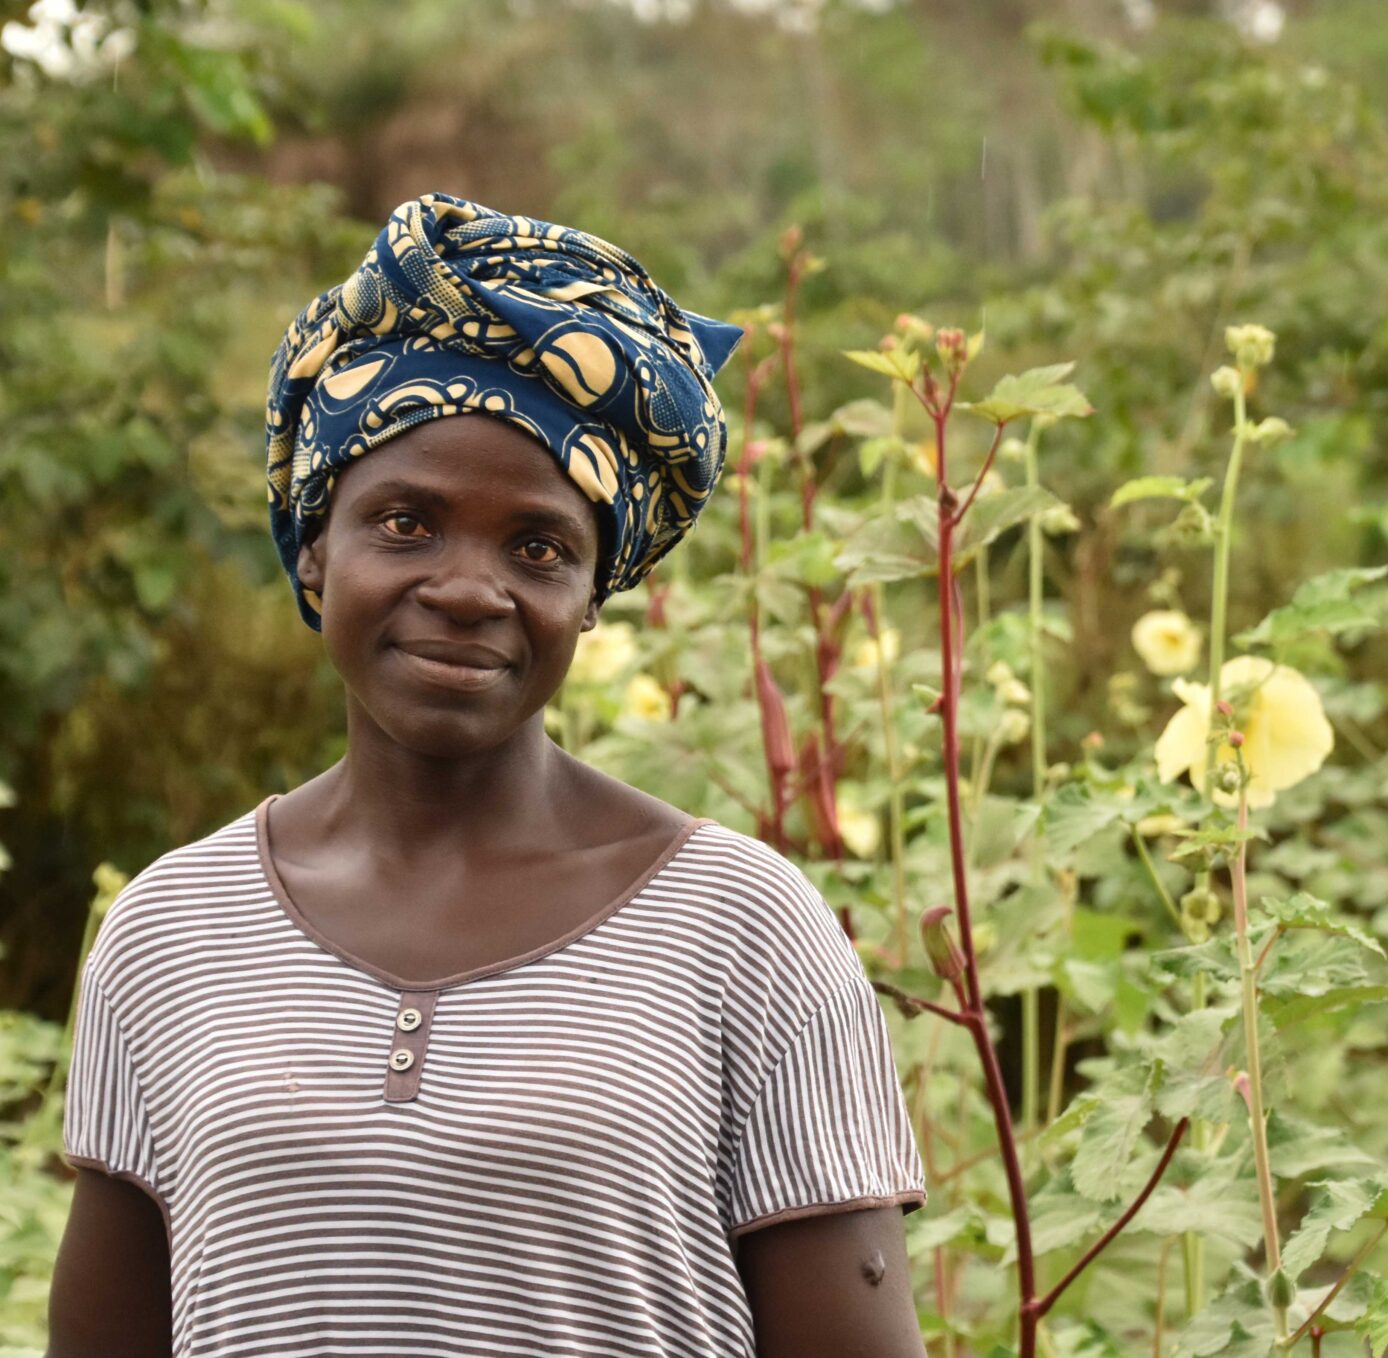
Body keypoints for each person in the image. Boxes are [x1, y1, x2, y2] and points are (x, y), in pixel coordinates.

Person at [46, 193, 928, 1357]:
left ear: (593, 593)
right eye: (405, 522)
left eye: (538, 546)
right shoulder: (170, 932)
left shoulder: (744, 932)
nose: (469, 588)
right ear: (316, 544)